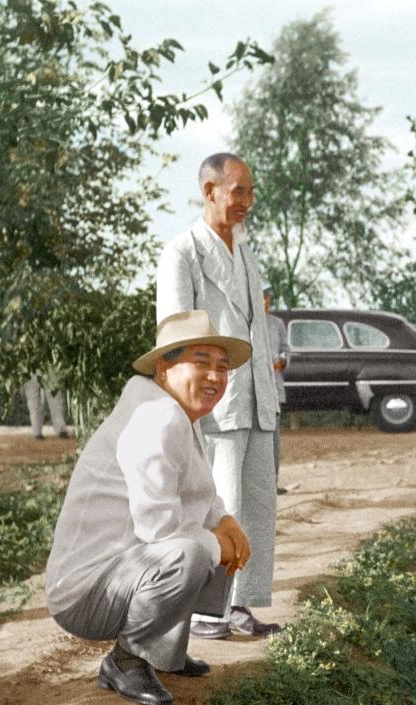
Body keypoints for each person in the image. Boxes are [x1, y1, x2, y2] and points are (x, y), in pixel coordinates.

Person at [45, 310, 253, 705]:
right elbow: (159, 534)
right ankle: (126, 660)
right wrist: (218, 544)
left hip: (118, 571)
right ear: (163, 368)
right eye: (200, 362)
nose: (214, 377)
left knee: (214, 537)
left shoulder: (177, 413)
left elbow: (199, 495)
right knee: (189, 553)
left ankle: (163, 654)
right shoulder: (155, 419)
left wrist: (226, 522)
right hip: (82, 592)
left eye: (222, 367)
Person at [156, 152, 281, 639]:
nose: (247, 202)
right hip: (213, 402)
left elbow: (258, 332)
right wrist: (185, 410)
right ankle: (206, 611)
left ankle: (241, 607)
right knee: (217, 506)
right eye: (238, 191)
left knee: (255, 505)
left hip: (256, 400)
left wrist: (269, 396)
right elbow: (174, 339)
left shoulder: (245, 253)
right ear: (210, 191)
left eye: (251, 192)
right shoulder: (182, 253)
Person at [263, 285, 289, 494]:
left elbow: (286, 349)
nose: (265, 302)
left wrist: (282, 360)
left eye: (267, 299)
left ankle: (273, 483)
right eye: (260, 298)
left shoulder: (277, 323)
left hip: (274, 388)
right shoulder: (244, 324)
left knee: (273, 437)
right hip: (251, 390)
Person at [24, 375, 68, 439]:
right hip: (29, 370)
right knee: (33, 399)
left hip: (48, 367)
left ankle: (61, 429)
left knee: (55, 396)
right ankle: (36, 432)